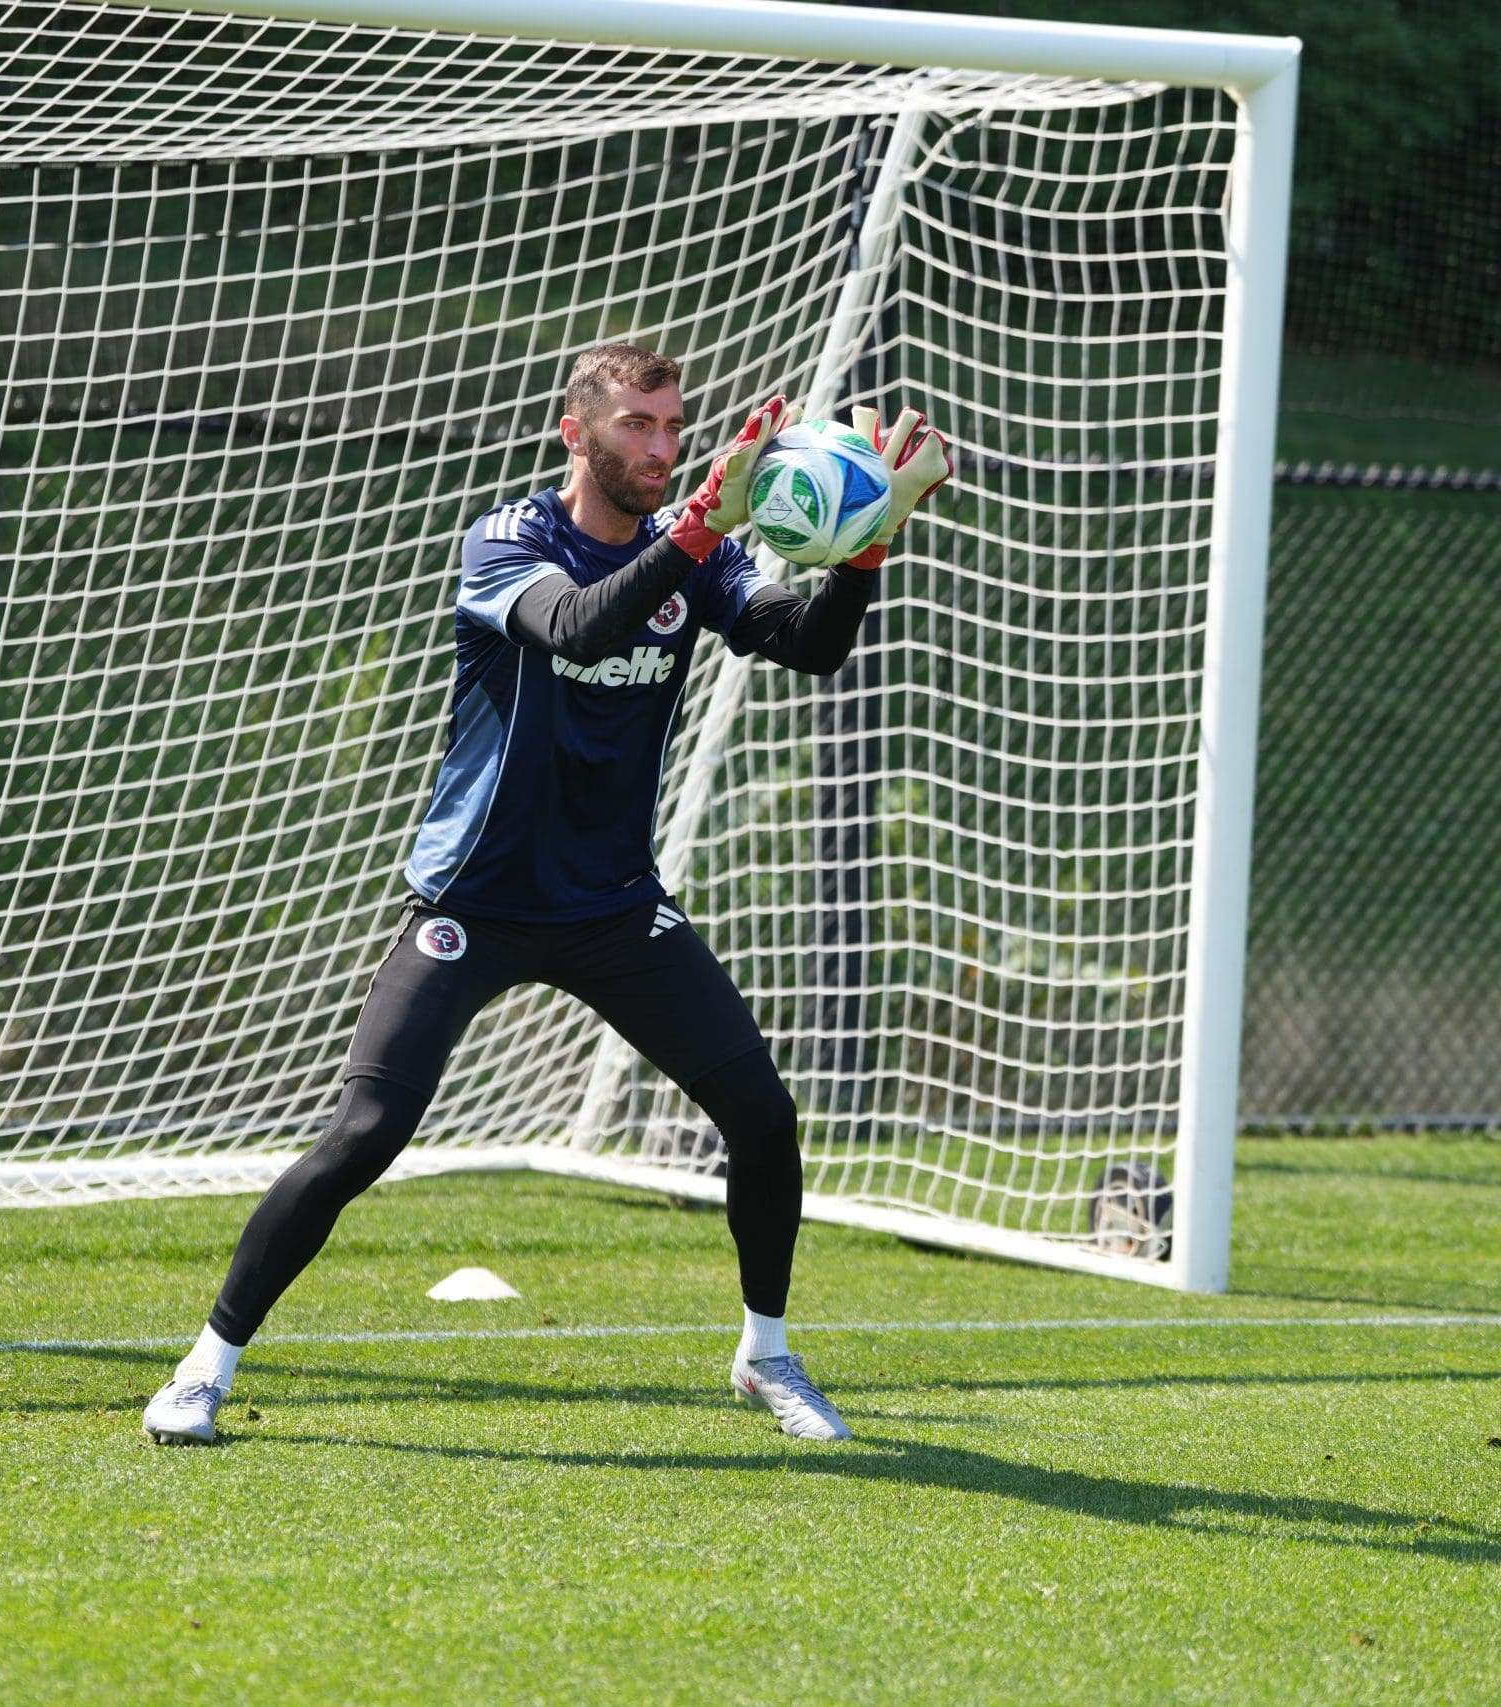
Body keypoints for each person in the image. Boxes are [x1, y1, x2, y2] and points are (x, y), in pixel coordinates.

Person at [141, 343, 951, 1446]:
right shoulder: (508, 542)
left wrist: (865, 547)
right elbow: (582, 626)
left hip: (613, 907)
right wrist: (701, 525)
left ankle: (766, 1354)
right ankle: (205, 1366)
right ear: (577, 435)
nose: (662, 448)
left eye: (673, 428)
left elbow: (804, 648)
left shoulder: (699, 557)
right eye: (636, 427)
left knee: (760, 1117)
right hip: (474, 900)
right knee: (366, 1133)